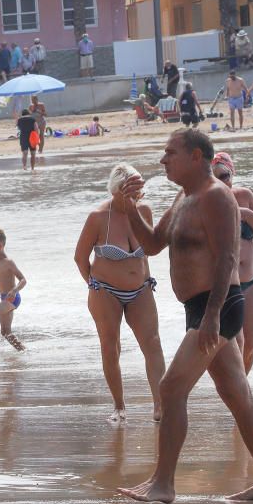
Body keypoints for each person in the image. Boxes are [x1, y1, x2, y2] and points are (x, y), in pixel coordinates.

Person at [118, 129, 253, 504]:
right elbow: (152, 243)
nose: (163, 160)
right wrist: (129, 207)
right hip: (199, 308)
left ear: (196, 156)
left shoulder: (216, 196)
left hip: (219, 306)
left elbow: (229, 257)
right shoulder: (185, 197)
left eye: (170, 153)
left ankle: (163, 484)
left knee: (170, 388)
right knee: (237, 395)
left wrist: (213, 316)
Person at [74, 163, 166, 423]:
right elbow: (80, 257)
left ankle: (160, 404)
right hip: (105, 290)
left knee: (153, 343)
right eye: (133, 187)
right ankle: (119, 405)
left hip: (140, 288)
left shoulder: (144, 211)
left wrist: (146, 279)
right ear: (118, 189)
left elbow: (149, 248)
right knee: (111, 346)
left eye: (140, 187)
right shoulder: (98, 217)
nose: (139, 192)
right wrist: (92, 283)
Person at [211, 152, 253, 373]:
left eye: (224, 176)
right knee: (237, 341)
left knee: (251, 342)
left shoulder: (244, 195)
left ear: (232, 173)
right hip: (227, 285)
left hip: (251, 280)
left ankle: (242, 394)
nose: (221, 182)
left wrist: (246, 214)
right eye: (214, 178)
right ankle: (237, 393)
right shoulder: (206, 202)